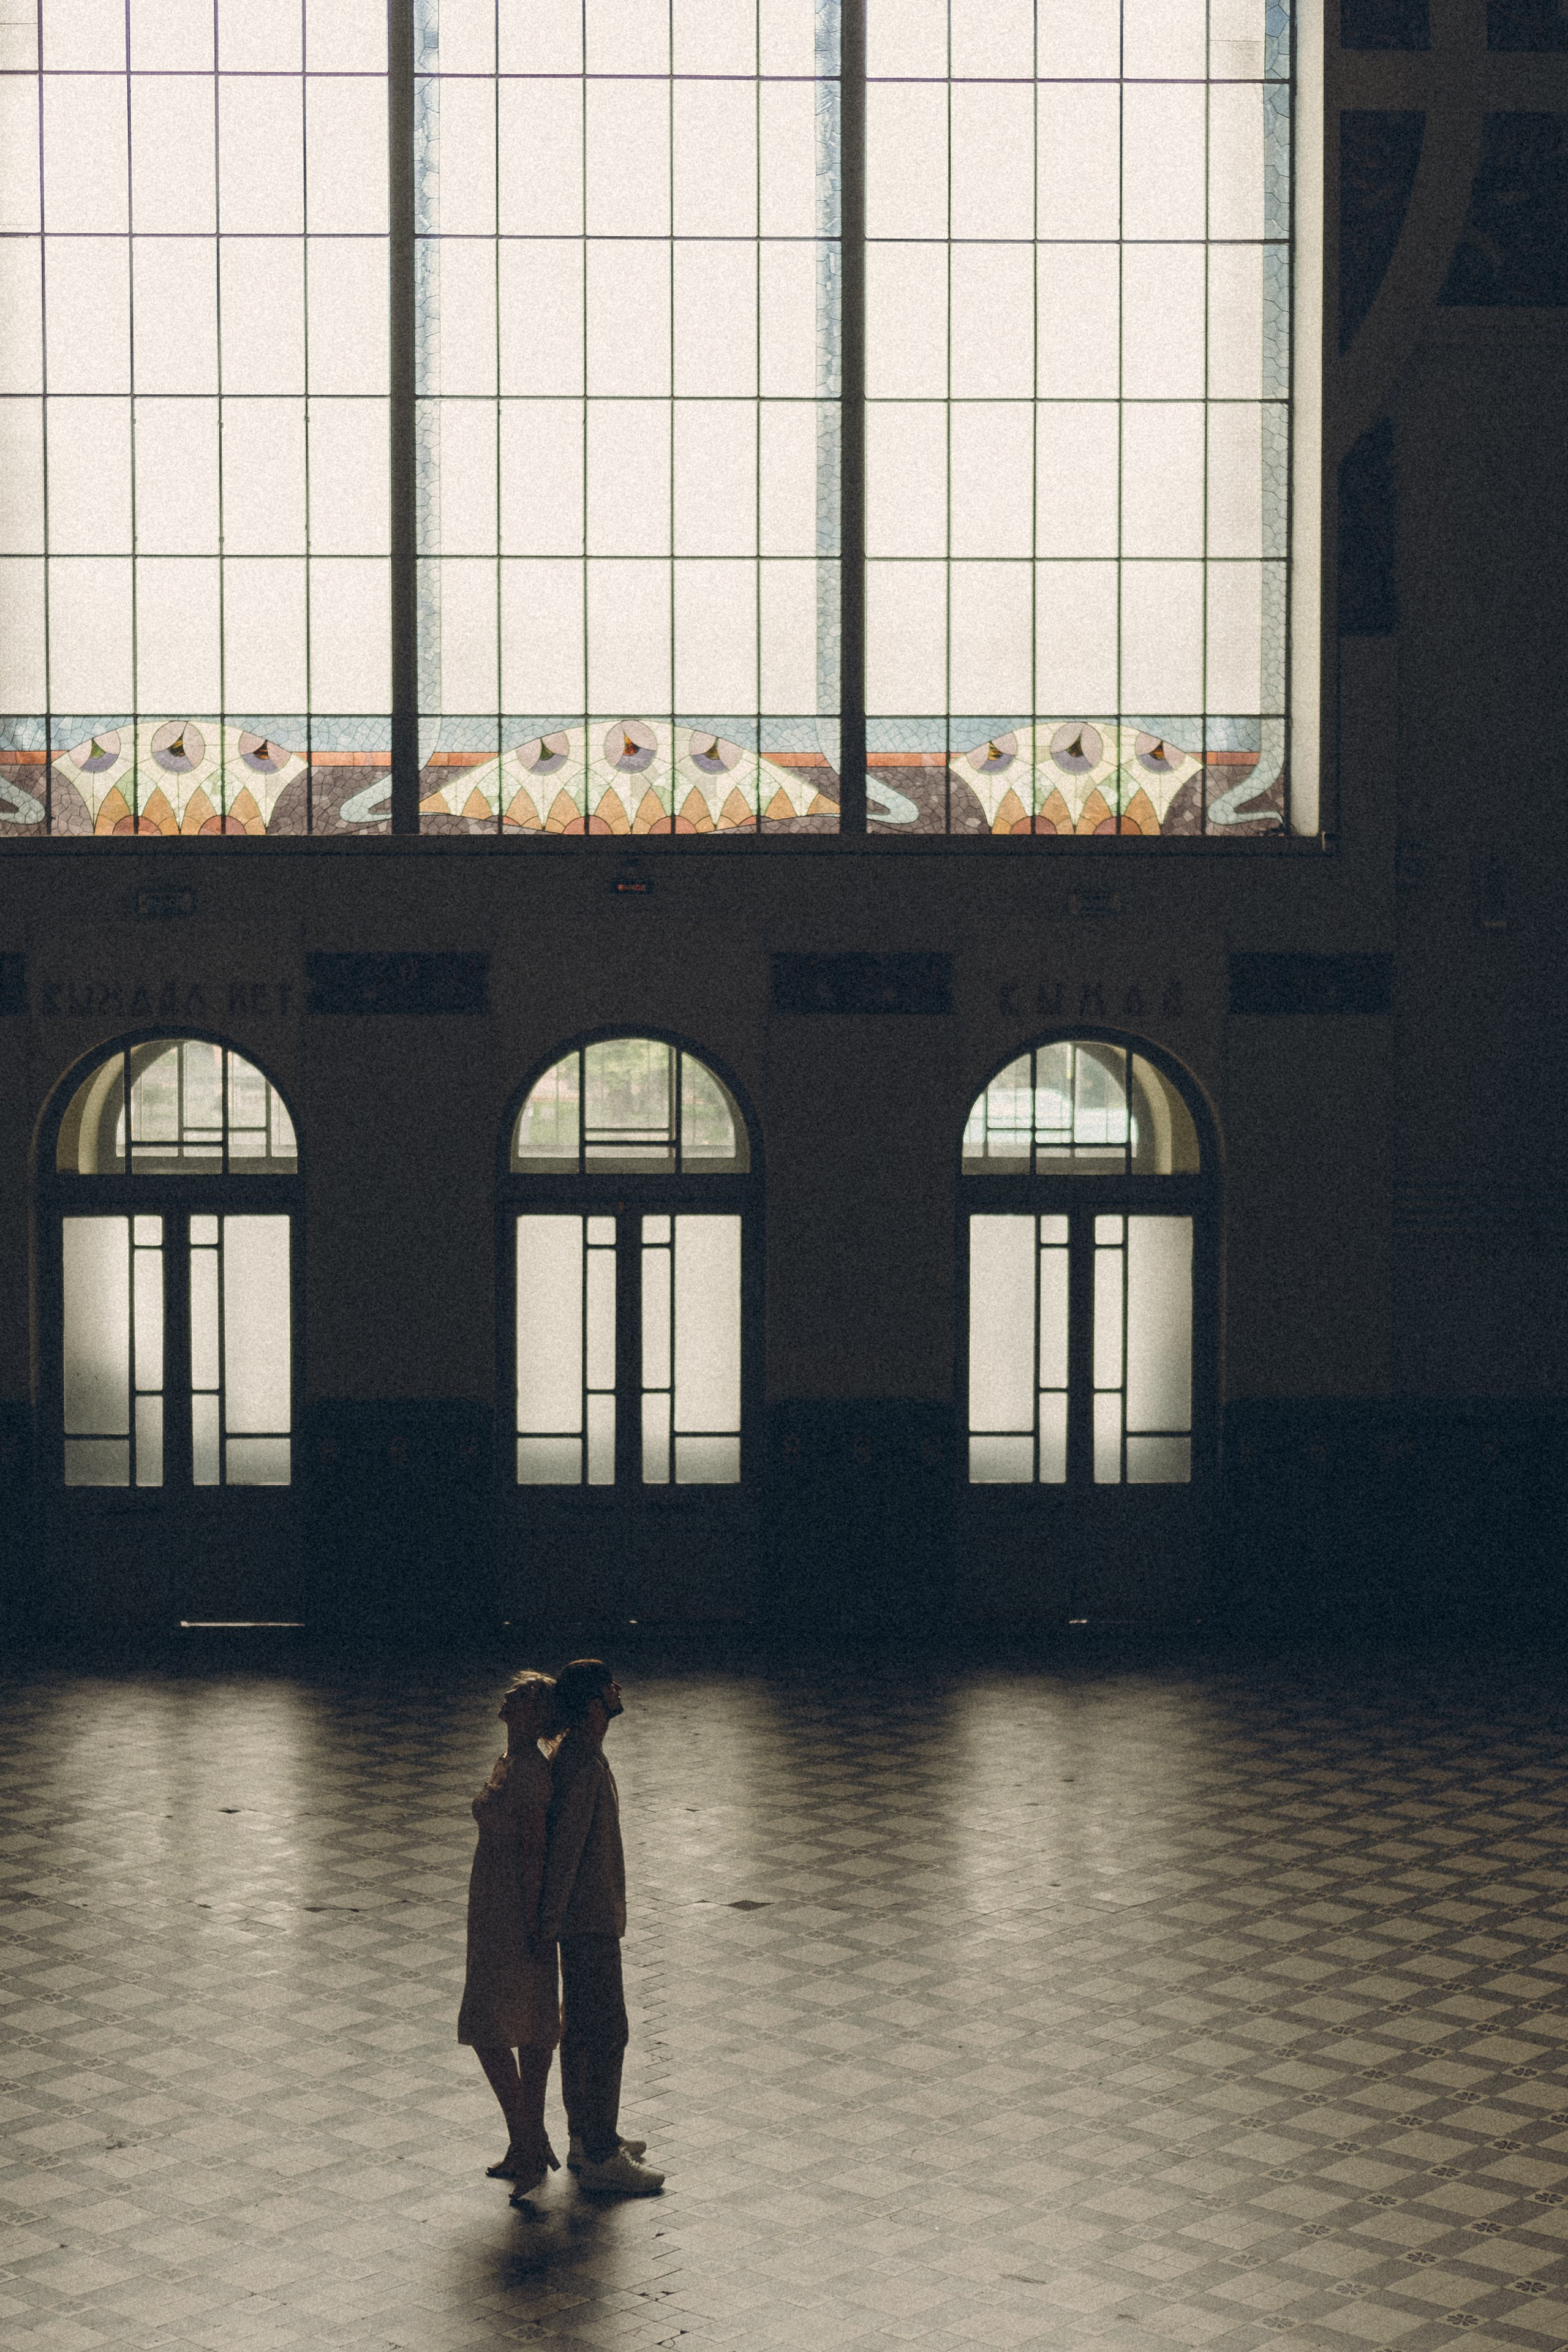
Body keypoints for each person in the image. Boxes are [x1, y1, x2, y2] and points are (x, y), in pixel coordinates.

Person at [538, 1659, 664, 2196]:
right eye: (610, 1684)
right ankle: (599, 2150)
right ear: (594, 1704)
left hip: (588, 1917)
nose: (619, 1689)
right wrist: (551, 1922)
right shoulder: (583, 1764)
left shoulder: (583, 1755)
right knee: (605, 2031)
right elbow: (565, 1851)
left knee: (586, 2029)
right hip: (587, 1922)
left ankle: (587, 2137)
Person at [457, 1670, 563, 2197]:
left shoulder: (528, 1773)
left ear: (538, 1716)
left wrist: (535, 1925)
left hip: (512, 1913)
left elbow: (535, 1854)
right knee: (519, 2023)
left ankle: (527, 2138)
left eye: (523, 1696)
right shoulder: (511, 1763)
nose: (508, 1695)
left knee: (499, 2026)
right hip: (495, 1906)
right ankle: (526, 2142)